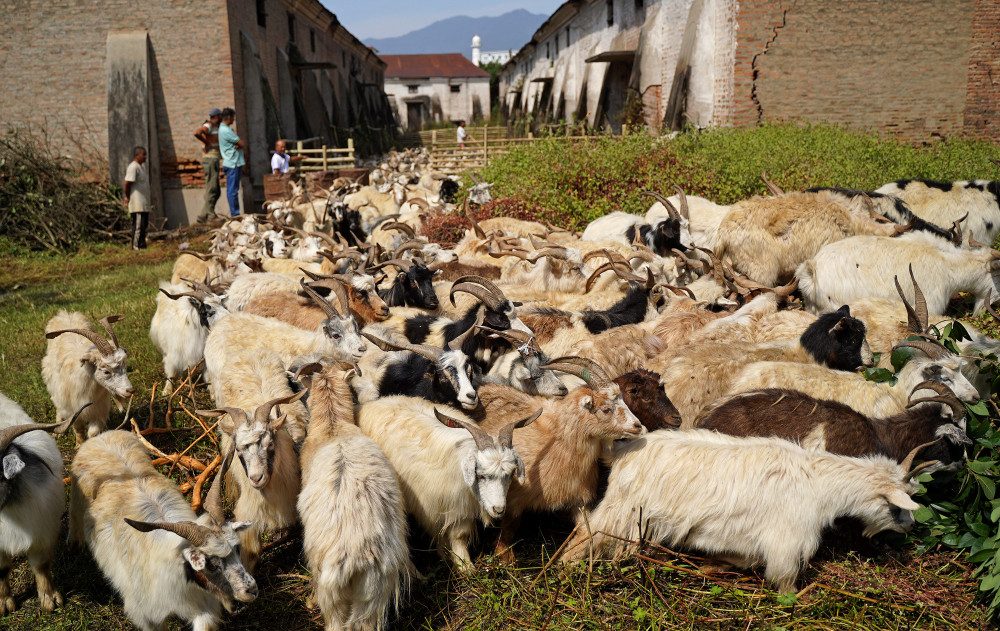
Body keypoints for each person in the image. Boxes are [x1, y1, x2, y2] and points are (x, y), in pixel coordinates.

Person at [193, 108, 222, 221]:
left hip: (214, 159)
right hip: (209, 159)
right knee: (212, 187)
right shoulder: (208, 125)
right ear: (216, 116)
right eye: (220, 116)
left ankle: (204, 214)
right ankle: (209, 214)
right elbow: (197, 132)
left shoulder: (216, 127)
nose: (221, 118)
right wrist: (207, 143)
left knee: (216, 189)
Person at [218, 107, 246, 218]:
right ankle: (235, 214)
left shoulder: (226, 129)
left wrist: (237, 144)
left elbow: (239, 144)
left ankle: (235, 213)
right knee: (232, 190)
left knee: (233, 189)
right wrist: (238, 144)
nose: (233, 120)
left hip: (234, 162)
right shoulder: (225, 130)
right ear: (228, 117)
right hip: (232, 163)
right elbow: (241, 143)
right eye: (233, 118)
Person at [123, 146, 150, 250]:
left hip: (143, 203)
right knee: (138, 226)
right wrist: (127, 197)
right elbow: (127, 183)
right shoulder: (133, 167)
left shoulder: (141, 167)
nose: (145, 157)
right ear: (137, 155)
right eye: (143, 154)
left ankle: (142, 246)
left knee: (144, 226)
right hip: (137, 203)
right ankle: (136, 247)